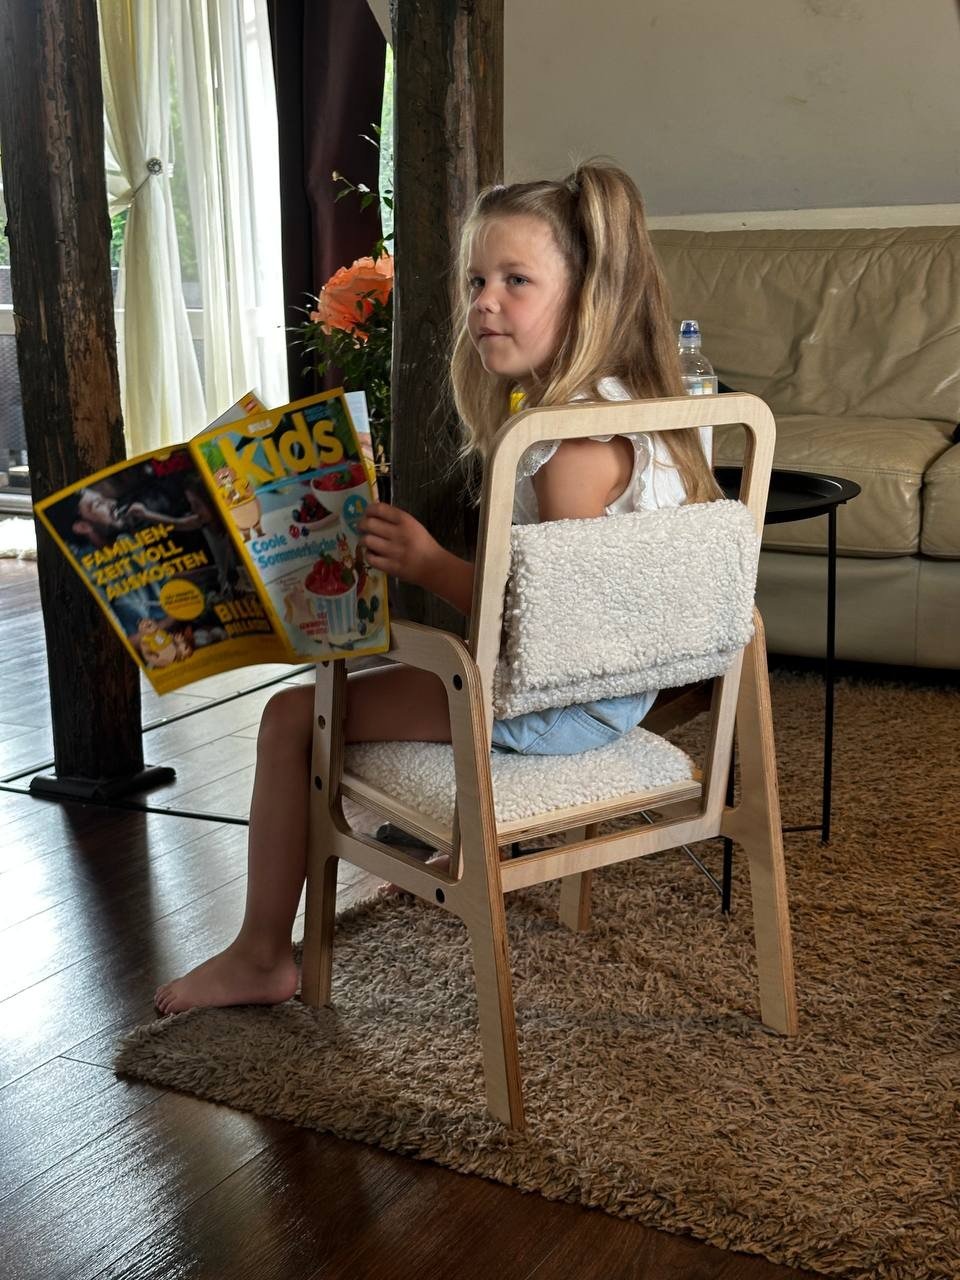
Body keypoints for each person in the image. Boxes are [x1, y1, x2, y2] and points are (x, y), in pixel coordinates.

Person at [154, 160, 720, 1015]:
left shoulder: (570, 450)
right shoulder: (642, 406)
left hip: (568, 701)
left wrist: (426, 566)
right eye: (477, 280)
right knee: (368, 655)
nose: (485, 301)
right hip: (619, 683)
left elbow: (549, 638)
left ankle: (262, 953)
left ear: (587, 295)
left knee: (287, 719)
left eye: (517, 281)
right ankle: (406, 859)